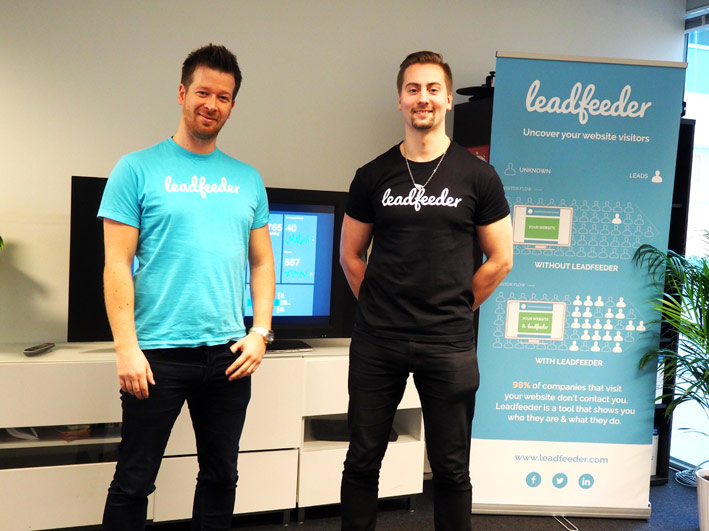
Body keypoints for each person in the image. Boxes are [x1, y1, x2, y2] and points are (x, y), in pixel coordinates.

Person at [98, 44, 275, 530]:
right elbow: (116, 265)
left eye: (223, 97)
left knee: (221, 476)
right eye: (203, 92)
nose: (211, 104)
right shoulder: (135, 169)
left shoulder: (247, 179)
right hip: (156, 356)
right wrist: (126, 349)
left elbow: (262, 262)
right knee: (134, 480)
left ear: (232, 105)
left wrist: (260, 332)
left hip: (228, 356)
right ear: (182, 93)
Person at [339, 51, 513, 531]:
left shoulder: (478, 176)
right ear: (400, 100)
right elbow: (351, 256)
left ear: (449, 99)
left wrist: (456, 304)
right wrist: (379, 306)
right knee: (362, 459)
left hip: (448, 342)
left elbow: (501, 259)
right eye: (413, 89)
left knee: (452, 468)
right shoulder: (372, 175)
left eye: (433, 89)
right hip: (378, 341)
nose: (423, 98)